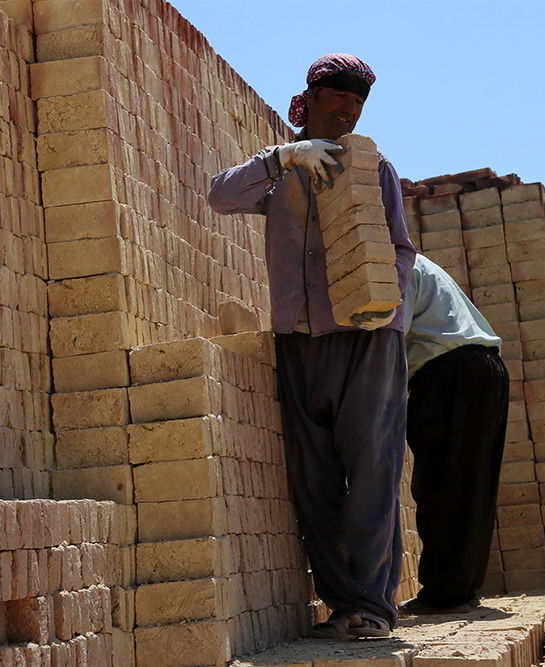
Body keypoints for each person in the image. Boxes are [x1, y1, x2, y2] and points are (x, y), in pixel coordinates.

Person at [208, 53, 416, 639]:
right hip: (299, 337)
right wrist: (280, 157)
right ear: (314, 97)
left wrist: (381, 296)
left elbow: (401, 249)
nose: (350, 111)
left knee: (372, 467)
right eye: (340, 100)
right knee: (314, 476)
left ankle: (374, 607)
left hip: (368, 337)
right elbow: (220, 196)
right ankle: (341, 604)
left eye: (359, 103)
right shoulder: (277, 171)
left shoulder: (375, 167)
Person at [399, 254, 509, 615]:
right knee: (473, 486)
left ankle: (446, 594)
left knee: (440, 482)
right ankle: (460, 588)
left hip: (451, 372)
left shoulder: (396, 263)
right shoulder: (421, 263)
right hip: (486, 368)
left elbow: (390, 337)